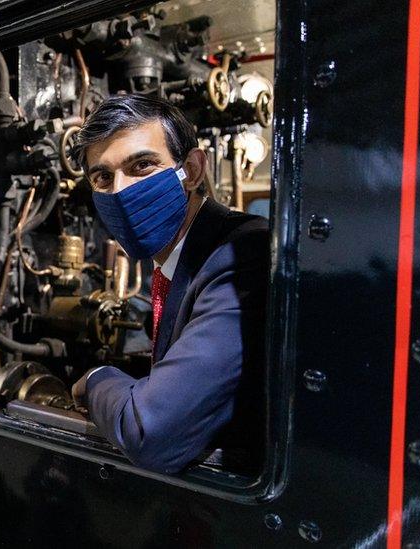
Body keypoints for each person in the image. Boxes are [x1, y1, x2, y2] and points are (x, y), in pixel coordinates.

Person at [69, 94, 269, 474]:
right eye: (103, 177)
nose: (121, 191)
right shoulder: (170, 264)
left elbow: (151, 433)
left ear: (191, 170)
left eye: (142, 165)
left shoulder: (242, 254)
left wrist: (97, 380)